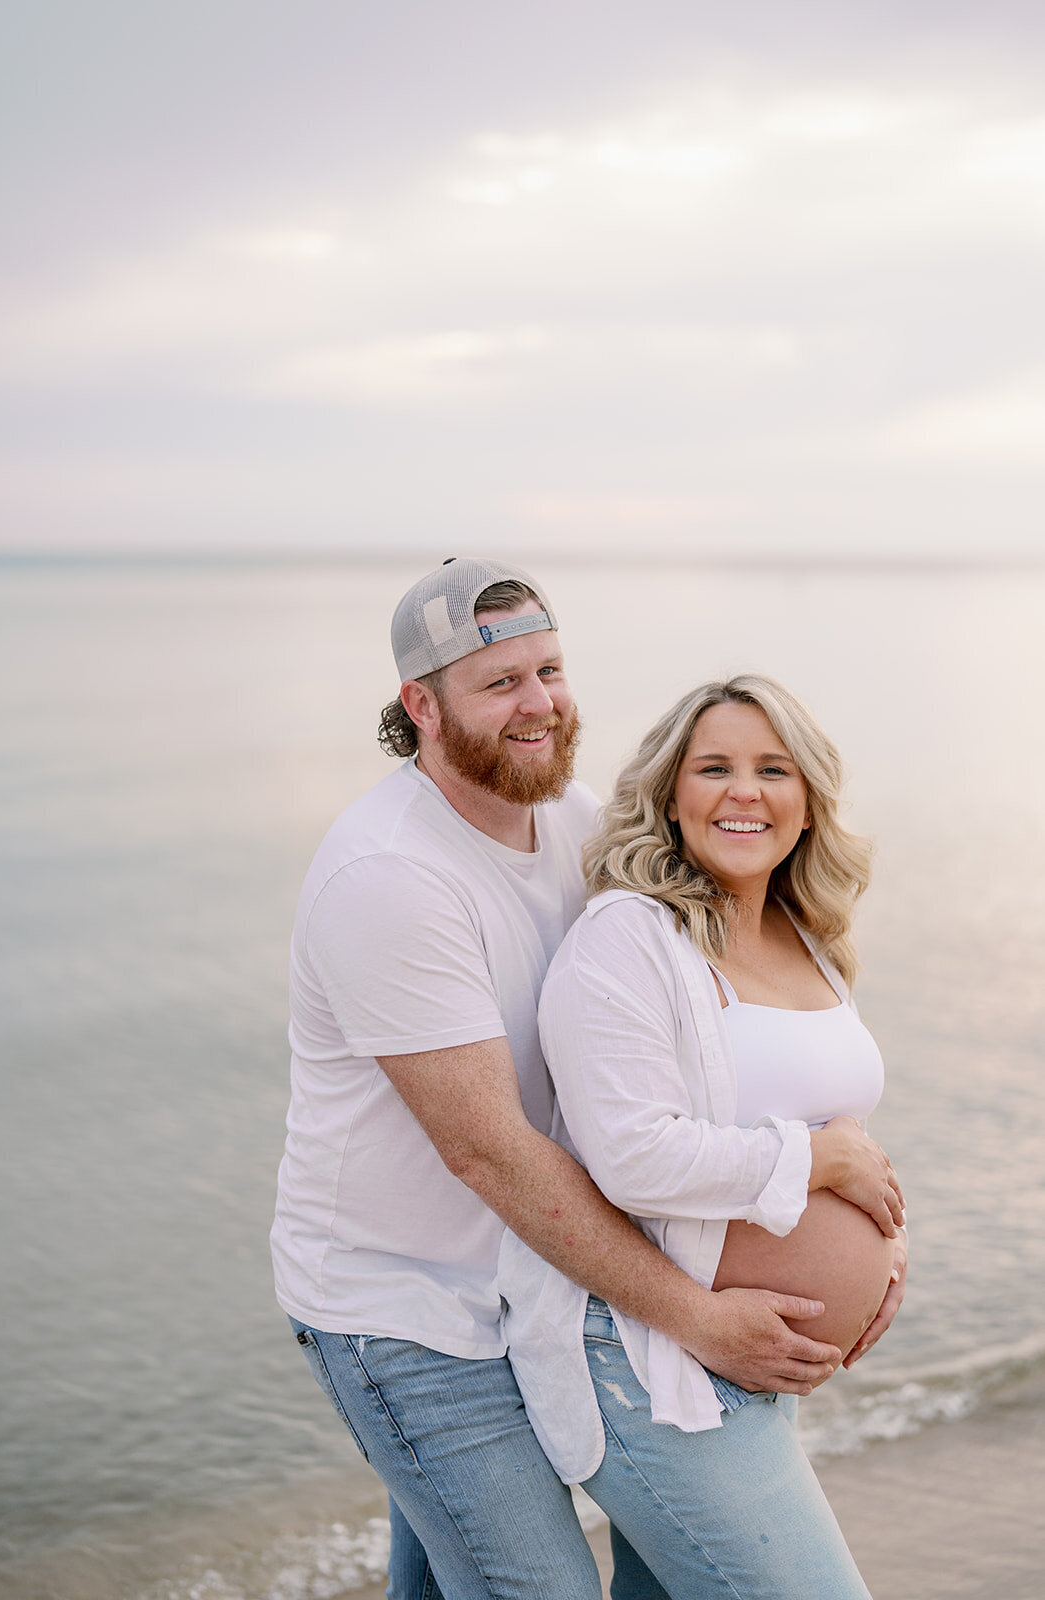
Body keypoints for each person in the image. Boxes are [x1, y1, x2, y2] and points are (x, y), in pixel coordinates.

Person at [271, 565, 904, 1600]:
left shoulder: (571, 824)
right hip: (415, 1312)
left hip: (546, 1284)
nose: (538, 703)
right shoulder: (387, 877)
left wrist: (861, 1234)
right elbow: (490, 1150)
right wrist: (693, 1315)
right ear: (419, 707)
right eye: (498, 681)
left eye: (549, 669)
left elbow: (682, 1036)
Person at [501, 674, 907, 1600]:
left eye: (773, 769)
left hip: (757, 1364)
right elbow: (634, 1156)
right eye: (713, 767)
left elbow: (844, 1125)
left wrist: (886, 1242)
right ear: (669, 795)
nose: (743, 792)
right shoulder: (627, 939)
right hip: (652, 1369)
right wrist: (819, 1162)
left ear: (807, 802)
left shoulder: (809, 939)